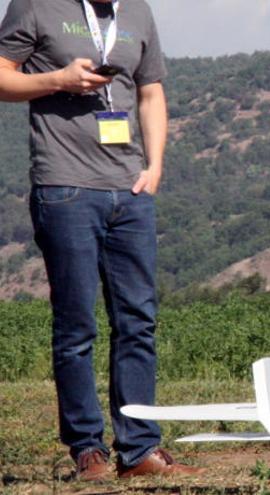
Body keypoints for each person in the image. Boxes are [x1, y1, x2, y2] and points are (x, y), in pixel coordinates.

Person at [0, 0, 202, 480]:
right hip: (65, 187)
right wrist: (57, 80)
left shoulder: (137, 11)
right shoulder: (35, 4)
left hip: (130, 192)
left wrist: (154, 167)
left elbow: (150, 91)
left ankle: (139, 450)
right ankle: (87, 449)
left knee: (138, 322)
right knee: (76, 327)